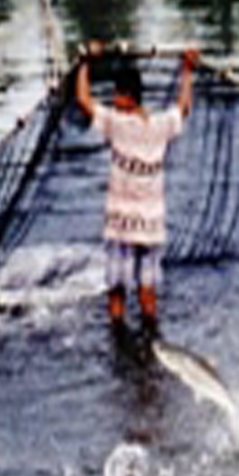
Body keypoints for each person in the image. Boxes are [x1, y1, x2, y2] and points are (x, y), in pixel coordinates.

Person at [75, 42, 199, 337]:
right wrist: (187, 70)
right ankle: (150, 340)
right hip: (151, 224)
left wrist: (84, 62)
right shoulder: (160, 125)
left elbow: (83, 100)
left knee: (117, 289)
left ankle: (119, 342)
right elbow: (183, 108)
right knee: (147, 288)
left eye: (116, 95)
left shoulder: (117, 124)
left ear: (127, 96)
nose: (113, 100)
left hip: (121, 223)